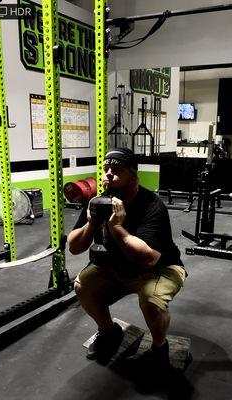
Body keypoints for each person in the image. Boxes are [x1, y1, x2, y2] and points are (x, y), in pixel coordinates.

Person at [68, 148, 187, 367]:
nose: (108, 175)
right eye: (105, 169)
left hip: (158, 270)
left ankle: (160, 346)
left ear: (133, 175)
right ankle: (109, 332)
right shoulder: (98, 202)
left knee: (152, 303)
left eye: (117, 170)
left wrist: (117, 227)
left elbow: (148, 259)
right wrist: (92, 222)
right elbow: (74, 247)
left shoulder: (152, 206)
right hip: (117, 266)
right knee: (82, 285)